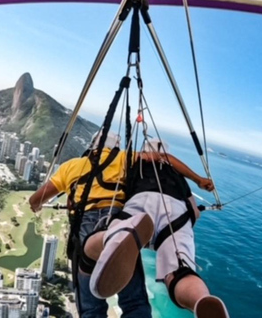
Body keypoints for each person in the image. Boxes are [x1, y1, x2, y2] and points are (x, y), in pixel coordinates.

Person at [84, 138, 229, 318]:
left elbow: (118, 191)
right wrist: (198, 181)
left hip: (142, 201)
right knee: (179, 271)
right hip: (176, 211)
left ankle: (114, 238)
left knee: (109, 235)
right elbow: (194, 211)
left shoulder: (133, 162)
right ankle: (200, 300)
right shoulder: (177, 176)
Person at [28, 131, 151, 318]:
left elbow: (35, 199)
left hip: (85, 227)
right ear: (115, 146)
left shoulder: (71, 166)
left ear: (92, 145)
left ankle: (102, 241)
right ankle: (111, 239)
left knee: (91, 308)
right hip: (119, 222)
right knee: (134, 302)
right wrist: (199, 181)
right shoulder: (125, 158)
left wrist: (37, 207)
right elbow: (155, 158)